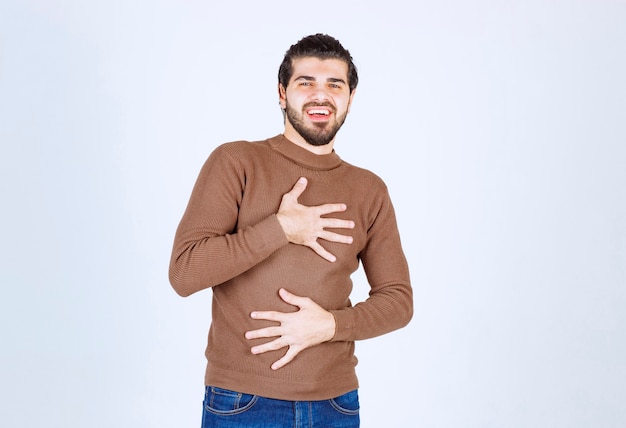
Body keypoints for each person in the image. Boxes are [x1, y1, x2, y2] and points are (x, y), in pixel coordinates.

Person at [169, 33, 413, 428]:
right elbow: (184, 273)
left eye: (335, 84)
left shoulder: (369, 189)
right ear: (282, 94)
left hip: (336, 404)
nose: (321, 95)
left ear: (351, 98)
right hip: (242, 403)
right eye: (306, 83)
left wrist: (331, 325)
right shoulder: (237, 161)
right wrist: (280, 228)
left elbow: (399, 301)